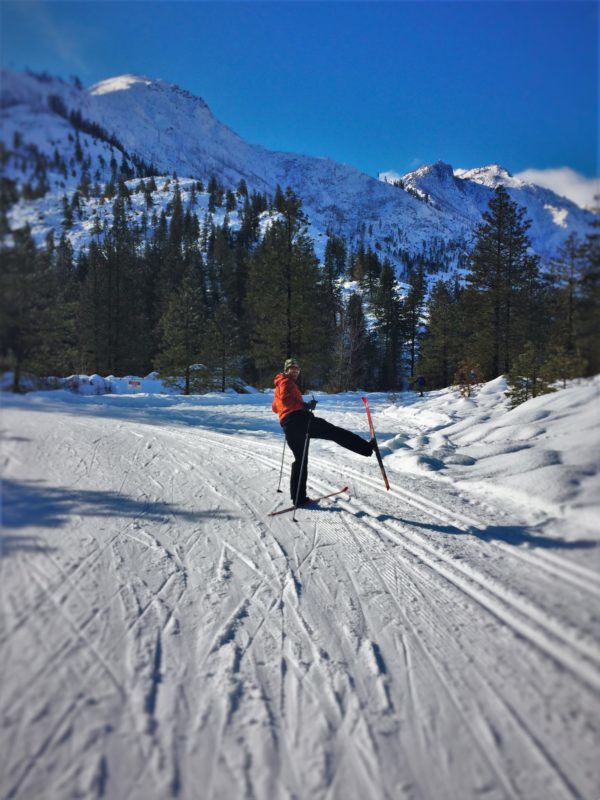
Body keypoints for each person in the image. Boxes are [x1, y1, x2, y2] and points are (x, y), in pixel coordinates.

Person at [272, 357, 374, 505]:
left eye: (297, 369)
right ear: (286, 370)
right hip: (299, 421)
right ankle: (366, 448)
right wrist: (305, 406)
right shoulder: (286, 382)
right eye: (291, 369)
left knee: (300, 461)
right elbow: (288, 402)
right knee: (333, 432)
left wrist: (302, 405)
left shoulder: (279, 385)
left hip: (288, 426)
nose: (295, 371)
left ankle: (299, 499)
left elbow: (275, 407)